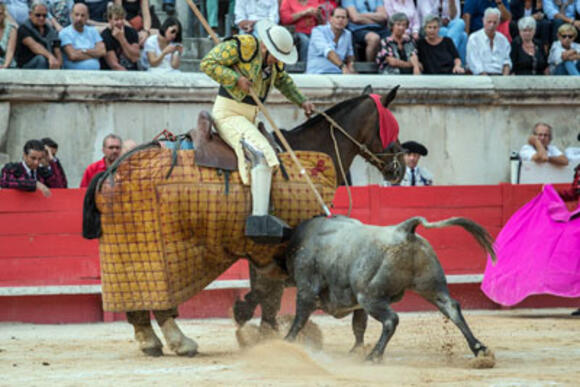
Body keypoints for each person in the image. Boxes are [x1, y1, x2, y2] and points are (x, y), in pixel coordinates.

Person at [200, 20, 315, 241]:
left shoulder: (274, 63)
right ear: (265, 47)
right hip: (228, 113)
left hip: (250, 117)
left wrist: (302, 102)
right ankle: (259, 219)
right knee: (261, 152)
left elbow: (284, 82)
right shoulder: (241, 45)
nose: (279, 62)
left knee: (269, 149)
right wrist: (236, 79)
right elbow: (208, 63)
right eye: (276, 56)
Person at [0, 139, 67, 197]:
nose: (36, 162)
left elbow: (61, 186)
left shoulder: (43, 172)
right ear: (25, 155)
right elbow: (5, 182)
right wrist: (34, 184)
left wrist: (52, 159)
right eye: (33, 158)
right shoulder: (12, 168)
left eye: (40, 159)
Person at [305, 6, 356, 74]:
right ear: (330, 19)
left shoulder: (348, 34)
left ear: (347, 21)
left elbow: (350, 54)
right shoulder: (318, 31)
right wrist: (343, 66)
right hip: (317, 74)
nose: (340, 20)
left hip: (338, 75)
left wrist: (350, 65)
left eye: (343, 17)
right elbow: (328, 52)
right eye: (337, 17)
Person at [15, 1, 62, 69]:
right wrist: (50, 57)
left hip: (49, 63)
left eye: (44, 15)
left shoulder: (50, 30)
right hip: (26, 67)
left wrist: (59, 64)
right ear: (30, 14)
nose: (41, 18)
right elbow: (34, 46)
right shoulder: (24, 28)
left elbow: (57, 49)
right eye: (38, 15)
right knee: (41, 59)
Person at [59, 3, 105, 70]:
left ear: (87, 17)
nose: (79, 18)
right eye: (77, 15)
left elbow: (102, 51)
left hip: (94, 75)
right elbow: (73, 56)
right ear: (71, 15)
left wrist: (84, 50)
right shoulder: (64, 33)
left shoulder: (93, 31)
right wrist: (95, 55)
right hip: (73, 75)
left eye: (82, 15)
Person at [466, 7, 511, 75]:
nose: (492, 25)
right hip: (480, 77)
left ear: (498, 23)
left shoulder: (503, 40)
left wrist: (504, 79)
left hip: (500, 76)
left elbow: (507, 62)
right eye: (489, 22)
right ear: (483, 20)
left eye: (495, 22)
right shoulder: (474, 38)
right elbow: (474, 64)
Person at [100, 4, 140, 71]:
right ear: (109, 20)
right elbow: (114, 65)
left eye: (121, 18)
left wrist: (122, 39)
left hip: (133, 71)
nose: (120, 22)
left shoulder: (132, 32)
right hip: (115, 74)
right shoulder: (105, 35)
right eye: (116, 19)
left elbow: (135, 58)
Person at [0, 3, 17, 69]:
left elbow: (10, 51)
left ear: (4, 15)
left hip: (8, 65)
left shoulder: (11, 29)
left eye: (0, 13)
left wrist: (5, 66)